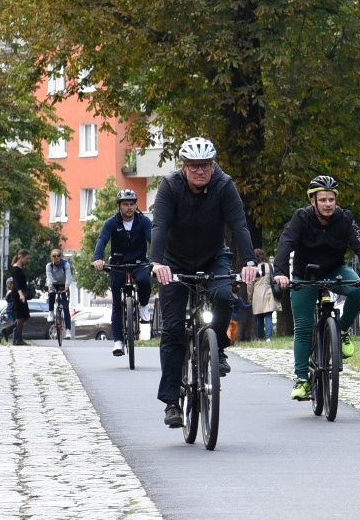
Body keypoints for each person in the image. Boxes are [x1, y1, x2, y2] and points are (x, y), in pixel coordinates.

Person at [150, 136, 259, 428]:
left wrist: (249, 262)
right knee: (173, 329)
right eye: (194, 166)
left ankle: (218, 346)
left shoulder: (224, 186)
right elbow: (159, 225)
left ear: (213, 165)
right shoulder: (170, 187)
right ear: (183, 167)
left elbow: (238, 225)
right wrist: (157, 262)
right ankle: (172, 401)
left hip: (213, 256)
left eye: (206, 165)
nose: (200, 171)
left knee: (224, 296)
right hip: (173, 262)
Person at [272, 174, 360, 401]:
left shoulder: (345, 219)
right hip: (305, 275)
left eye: (331, 199)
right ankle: (302, 380)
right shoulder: (301, 218)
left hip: (334, 270)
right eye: (323, 200)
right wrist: (280, 273)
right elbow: (286, 244)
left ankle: (341, 332)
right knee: (303, 328)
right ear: (313, 201)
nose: (328, 204)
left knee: (358, 290)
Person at [91, 188, 153, 357]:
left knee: (145, 281)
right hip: (117, 264)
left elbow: (152, 239)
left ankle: (143, 305)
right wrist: (98, 258)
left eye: (132, 204)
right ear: (119, 206)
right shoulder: (111, 223)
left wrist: (157, 259)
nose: (129, 207)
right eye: (125, 204)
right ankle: (118, 341)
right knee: (117, 302)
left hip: (139, 262)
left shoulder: (143, 221)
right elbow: (102, 240)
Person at [5, 249, 34, 345]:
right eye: (26, 258)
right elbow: (16, 283)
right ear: (20, 256)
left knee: (25, 316)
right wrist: (21, 294)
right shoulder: (16, 268)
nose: (27, 260)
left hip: (21, 294)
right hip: (18, 295)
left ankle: (7, 330)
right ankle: (18, 339)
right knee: (21, 317)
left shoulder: (20, 268)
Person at [45, 249, 74, 339]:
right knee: (51, 294)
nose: (56, 258)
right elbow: (49, 278)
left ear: (60, 257)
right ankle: (50, 312)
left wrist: (66, 287)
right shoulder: (49, 266)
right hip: (53, 283)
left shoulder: (66, 265)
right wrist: (51, 287)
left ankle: (68, 330)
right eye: (54, 256)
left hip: (63, 284)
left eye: (58, 256)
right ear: (51, 257)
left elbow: (69, 277)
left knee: (65, 307)